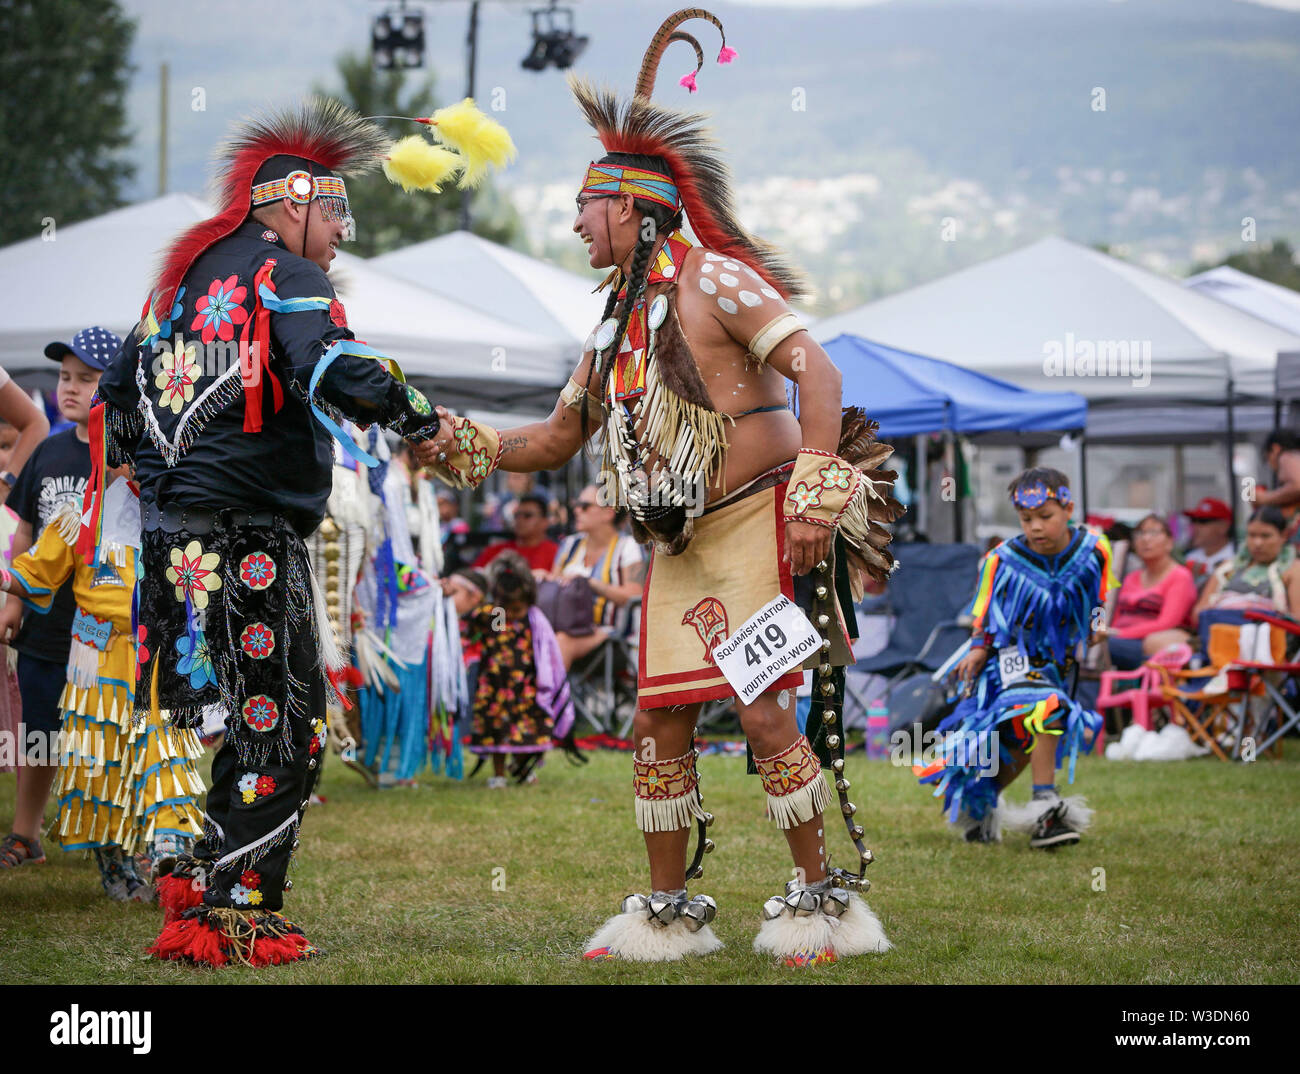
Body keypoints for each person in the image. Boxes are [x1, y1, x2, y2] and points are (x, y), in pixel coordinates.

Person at [416, 9, 900, 966]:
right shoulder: (610, 326)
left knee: (762, 708)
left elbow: (822, 375)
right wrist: (454, 440)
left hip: (764, 525)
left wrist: (812, 503)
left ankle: (820, 907)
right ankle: (667, 915)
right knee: (658, 716)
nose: (573, 223)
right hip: (679, 551)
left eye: (586, 208)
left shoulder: (714, 281)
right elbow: (557, 439)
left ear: (633, 210)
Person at [91, 98, 474, 966]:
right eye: (338, 212)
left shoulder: (177, 287)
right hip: (249, 541)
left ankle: (203, 876)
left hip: (175, 551)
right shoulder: (285, 277)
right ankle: (234, 909)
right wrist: (420, 415)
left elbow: (115, 402)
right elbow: (330, 363)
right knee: (282, 718)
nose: (342, 235)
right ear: (293, 201)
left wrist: (163, 492)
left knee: (249, 712)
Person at [1, 471, 205, 899]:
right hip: (96, 659)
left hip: (158, 656)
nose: (135, 462)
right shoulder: (78, 518)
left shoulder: (176, 513)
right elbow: (36, 572)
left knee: (162, 749)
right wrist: (5, 581)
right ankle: (117, 868)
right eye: (126, 449)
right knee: (100, 760)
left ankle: (170, 852)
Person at [919, 468, 1113, 850]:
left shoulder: (1093, 549)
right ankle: (1046, 809)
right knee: (1047, 708)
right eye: (1027, 519)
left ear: (1068, 508)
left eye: (1046, 517)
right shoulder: (1003, 558)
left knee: (1022, 742)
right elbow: (986, 611)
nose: (1036, 527)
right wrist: (978, 647)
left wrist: (1098, 624)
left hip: (1059, 661)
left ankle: (980, 804)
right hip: (1011, 657)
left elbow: (1100, 597)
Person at [0, 327, 118, 869]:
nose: (69, 388)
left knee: (104, 733)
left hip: (103, 626)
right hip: (46, 627)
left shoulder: (126, 457)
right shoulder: (47, 452)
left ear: (114, 387)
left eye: (86, 380)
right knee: (40, 731)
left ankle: (114, 840)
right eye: (65, 378)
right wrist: (14, 602)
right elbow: (24, 531)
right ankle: (26, 833)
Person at [458, 551, 573, 787]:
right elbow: (491, 634)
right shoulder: (499, 614)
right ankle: (498, 774)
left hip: (526, 690)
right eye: (508, 608)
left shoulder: (533, 620)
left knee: (526, 734)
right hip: (495, 691)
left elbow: (544, 654)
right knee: (497, 733)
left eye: (518, 609)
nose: (513, 614)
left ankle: (522, 769)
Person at [543, 482, 645, 669]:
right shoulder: (570, 545)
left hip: (613, 637)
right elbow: (555, 583)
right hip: (567, 627)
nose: (576, 511)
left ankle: (548, 698)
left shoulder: (628, 547)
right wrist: (543, 578)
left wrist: (591, 583)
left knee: (562, 641)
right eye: (576, 505)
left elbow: (635, 595)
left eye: (584, 506)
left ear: (608, 513)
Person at [1107, 514, 1197, 669]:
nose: (1145, 539)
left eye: (1154, 533)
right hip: (1118, 640)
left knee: (1095, 648)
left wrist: (1116, 634)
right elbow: (1116, 615)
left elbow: (1167, 623)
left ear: (1169, 542)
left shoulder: (1180, 576)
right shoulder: (1131, 577)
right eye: (1140, 533)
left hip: (1149, 645)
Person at [1191, 506, 1300, 625]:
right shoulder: (1227, 567)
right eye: (1252, 535)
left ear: (1283, 536)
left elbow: (1297, 620)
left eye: (1265, 536)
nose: (1257, 543)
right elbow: (1198, 614)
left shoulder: (1293, 570)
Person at [473, 492, 558, 573]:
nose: (519, 520)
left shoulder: (558, 554)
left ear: (545, 522)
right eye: (516, 515)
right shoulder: (495, 552)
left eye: (527, 515)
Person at [1250, 429, 1300, 538]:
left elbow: (1298, 485)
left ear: (1275, 449)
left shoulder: (1286, 456)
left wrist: (1264, 498)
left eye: (1268, 457)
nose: (1270, 464)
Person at [1181, 497, 1236, 586]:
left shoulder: (1236, 555)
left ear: (1224, 526)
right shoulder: (1190, 557)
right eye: (1194, 521)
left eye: (1203, 521)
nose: (1196, 526)